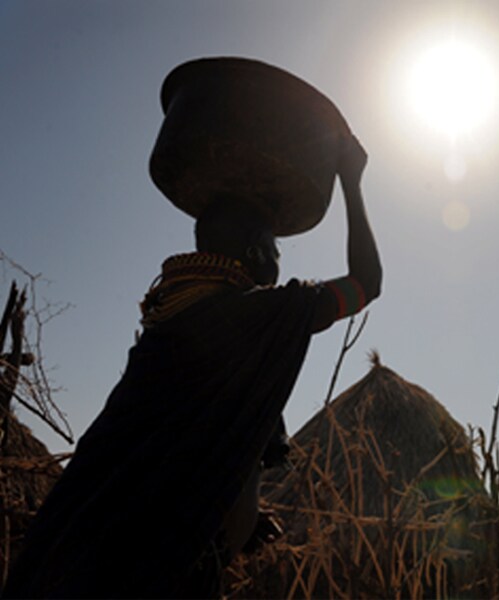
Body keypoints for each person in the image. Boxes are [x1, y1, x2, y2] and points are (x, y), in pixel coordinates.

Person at [2, 135, 381, 599]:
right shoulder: (256, 314)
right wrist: (351, 180)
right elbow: (366, 282)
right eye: (277, 252)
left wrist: (229, 498)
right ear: (259, 252)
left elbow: (166, 451)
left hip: (87, 546)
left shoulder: (168, 328)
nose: (280, 264)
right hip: (150, 570)